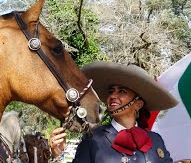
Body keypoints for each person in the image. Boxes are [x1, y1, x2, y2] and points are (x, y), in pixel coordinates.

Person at [49, 61, 178, 163]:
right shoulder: (93, 137)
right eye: (111, 91)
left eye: (122, 91)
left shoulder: (155, 140)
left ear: (138, 104)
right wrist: (58, 157)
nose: (112, 96)